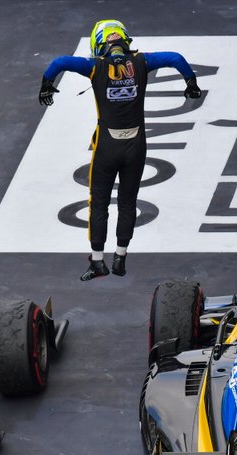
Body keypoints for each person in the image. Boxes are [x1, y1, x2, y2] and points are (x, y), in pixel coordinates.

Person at [39, 19, 201, 281]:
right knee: (128, 202)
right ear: (126, 41)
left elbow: (60, 63)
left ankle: (98, 262)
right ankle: (121, 258)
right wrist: (190, 82)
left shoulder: (95, 66)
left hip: (107, 145)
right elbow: (176, 58)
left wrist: (47, 84)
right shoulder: (142, 62)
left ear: (99, 45)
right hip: (136, 144)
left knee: (99, 203)